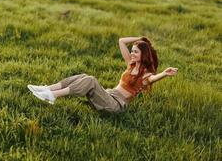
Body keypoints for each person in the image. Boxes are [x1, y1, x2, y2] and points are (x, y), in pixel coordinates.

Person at [27, 36, 178, 113]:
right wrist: (140, 38)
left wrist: (164, 73)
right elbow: (121, 41)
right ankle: (46, 89)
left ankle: (52, 95)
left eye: (135, 52)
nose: (131, 54)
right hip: (108, 95)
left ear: (143, 55)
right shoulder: (130, 64)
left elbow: (153, 79)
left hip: (115, 105)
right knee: (83, 76)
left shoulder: (145, 75)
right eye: (132, 51)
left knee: (91, 80)